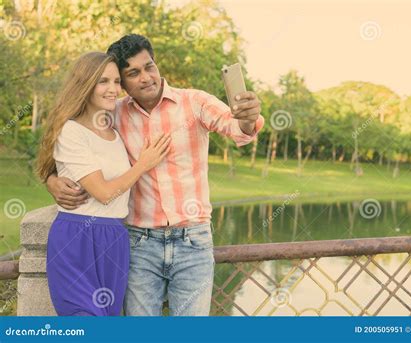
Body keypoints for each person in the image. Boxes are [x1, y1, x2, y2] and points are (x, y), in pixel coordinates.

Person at [45, 34, 264, 316]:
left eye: (149, 66)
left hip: (193, 243)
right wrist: (52, 180)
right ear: (124, 83)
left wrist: (247, 116)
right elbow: (73, 146)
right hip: (138, 245)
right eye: (133, 73)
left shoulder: (194, 102)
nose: (146, 77)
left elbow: (239, 128)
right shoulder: (112, 114)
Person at [36, 51, 171, 316]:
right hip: (77, 239)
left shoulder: (114, 131)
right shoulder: (71, 131)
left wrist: (51, 180)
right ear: (85, 85)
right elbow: (104, 192)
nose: (113, 89)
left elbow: (61, 171)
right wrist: (144, 164)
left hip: (114, 240)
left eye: (116, 82)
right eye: (103, 82)